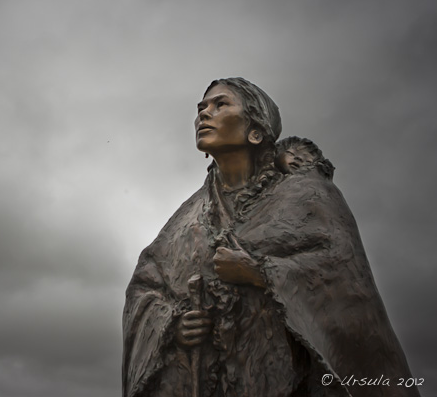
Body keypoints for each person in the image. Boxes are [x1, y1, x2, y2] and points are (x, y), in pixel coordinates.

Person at [122, 78, 419, 397]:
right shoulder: (186, 219)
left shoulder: (308, 196)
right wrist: (172, 325)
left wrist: (260, 273)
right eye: (201, 108)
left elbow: (342, 275)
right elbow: (145, 287)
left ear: (256, 131)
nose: (203, 114)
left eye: (220, 104)